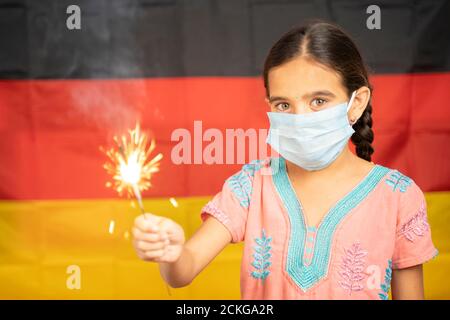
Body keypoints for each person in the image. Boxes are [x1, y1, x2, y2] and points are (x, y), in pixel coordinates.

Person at [132, 21, 438, 299]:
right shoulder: (252, 186)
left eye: (318, 101)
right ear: (269, 106)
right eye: (283, 104)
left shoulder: (398, 196)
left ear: (356, 102)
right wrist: (170, 254)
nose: (300, 118)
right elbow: (183, 271)